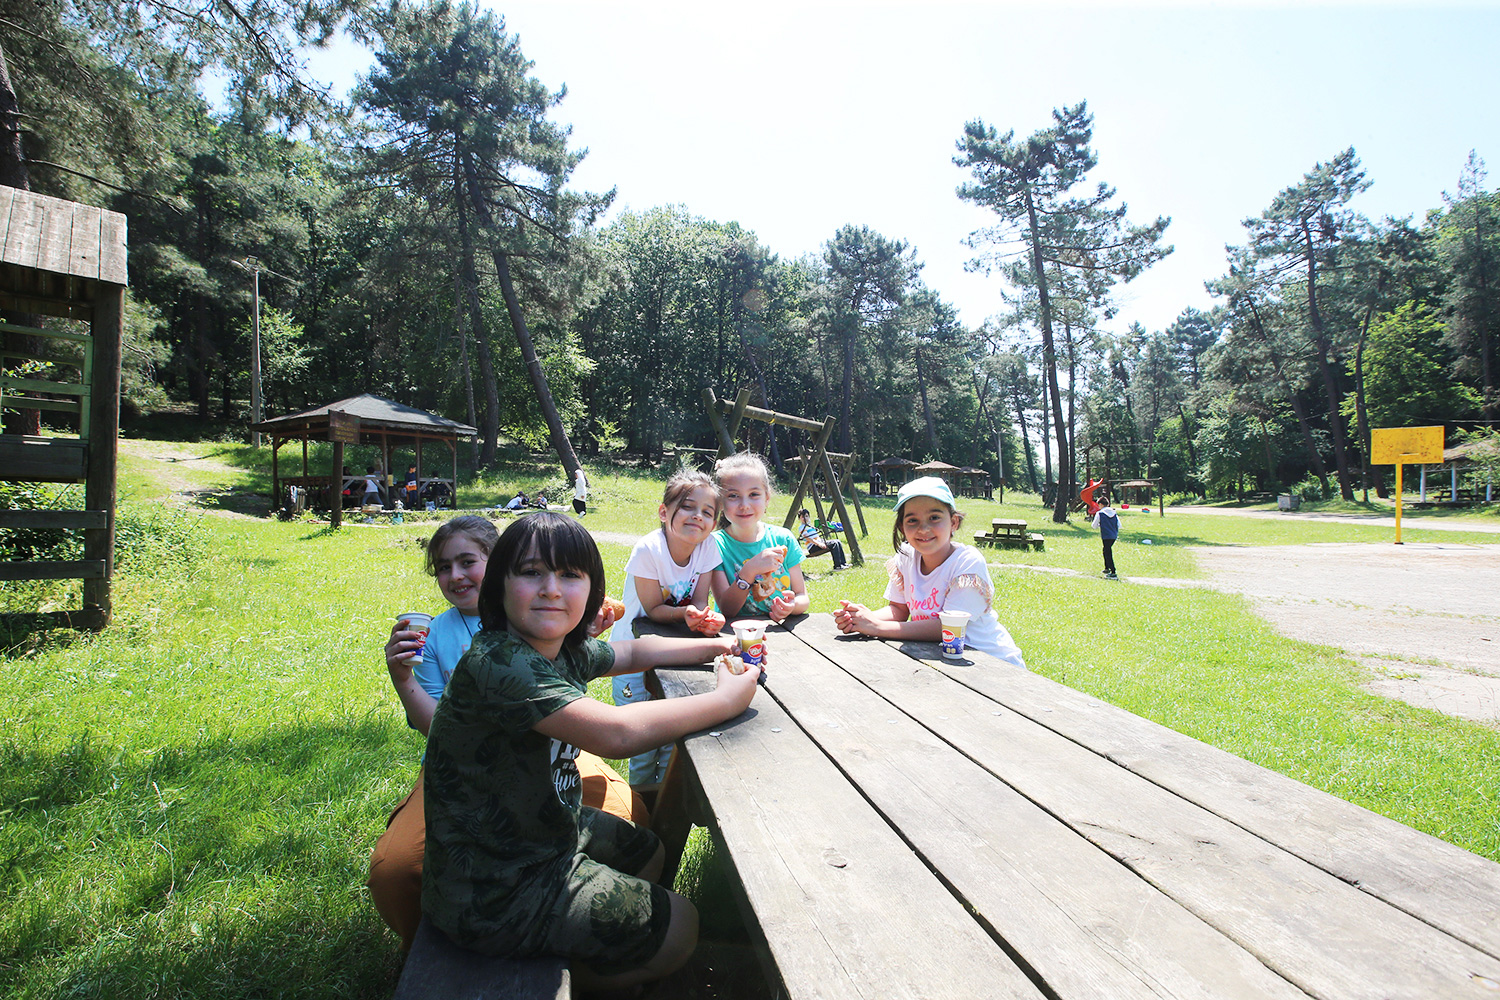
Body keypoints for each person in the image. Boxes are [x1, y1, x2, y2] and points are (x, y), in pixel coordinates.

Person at [422, 512, 761, 993]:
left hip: (539, 832)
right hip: (492, 888)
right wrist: (728, 698)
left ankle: (604, 945)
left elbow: (631, 654)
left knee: (649, 850)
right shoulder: (500, 661)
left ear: (592, 590)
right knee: (683, 923)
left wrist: (718, 648)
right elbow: (616, 735)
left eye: (569, 575)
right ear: (499, 585)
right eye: (532, 572)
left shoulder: (554, 646)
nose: (551, 589)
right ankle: (574, 980)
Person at [366, 516, 647, 953]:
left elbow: (599, 665)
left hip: (558, 745)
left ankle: (607, 937)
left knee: (629, 814)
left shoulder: (546, 613)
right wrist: (404, 681)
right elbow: (439, 727)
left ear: (497, 562)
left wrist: (579, 625)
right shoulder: (436, 633)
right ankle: (427, 958)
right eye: (443, 567)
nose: (455, 576)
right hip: (470, 772)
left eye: (467, 562)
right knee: (396, 869)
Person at [609, 470, 727, 790]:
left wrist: (706, 619)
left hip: (673, 651)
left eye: (707, 512)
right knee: (642, 738)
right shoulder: (649, 550)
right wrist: (686, 614)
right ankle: (643, 806)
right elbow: (653, 610)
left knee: (670, 736)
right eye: (688, 507)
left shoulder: (708, 547)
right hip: (631, 653)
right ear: (664, 512)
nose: (698, 517)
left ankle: (663, 800)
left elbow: (700, 602)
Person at [833, 476, 1025, 666]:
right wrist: (860, 619)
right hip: (945, 662)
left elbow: (948, 628)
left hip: (993, 662)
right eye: (912, 520)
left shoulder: (967, 563)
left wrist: (877, 627)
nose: (923, 529)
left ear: (954, 522)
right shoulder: (906, 557)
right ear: (902, 527)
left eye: (934, 518)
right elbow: (899, 610)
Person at [710, 452, 810, 623]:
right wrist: (750, 570)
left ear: (767, 498)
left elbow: (802, 597)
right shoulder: (714, 545)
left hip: (783, 634)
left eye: (754, 494)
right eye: (733, 496)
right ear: (720, 502)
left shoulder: (783, 539)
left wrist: (791, 606)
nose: (744, 505)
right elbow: (727, 610)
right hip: (735, 635)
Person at [1092, 494, 1120, 579]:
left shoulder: (1100, 513)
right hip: (1114, 535)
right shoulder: (1114, 513)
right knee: (1105, 550)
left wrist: (1101, 525)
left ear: (1101, 504)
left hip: (1106, 535)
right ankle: (1106, 568)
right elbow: (1119, 525)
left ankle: (1113, 571)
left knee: (1108, 552)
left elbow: (1094, 526)